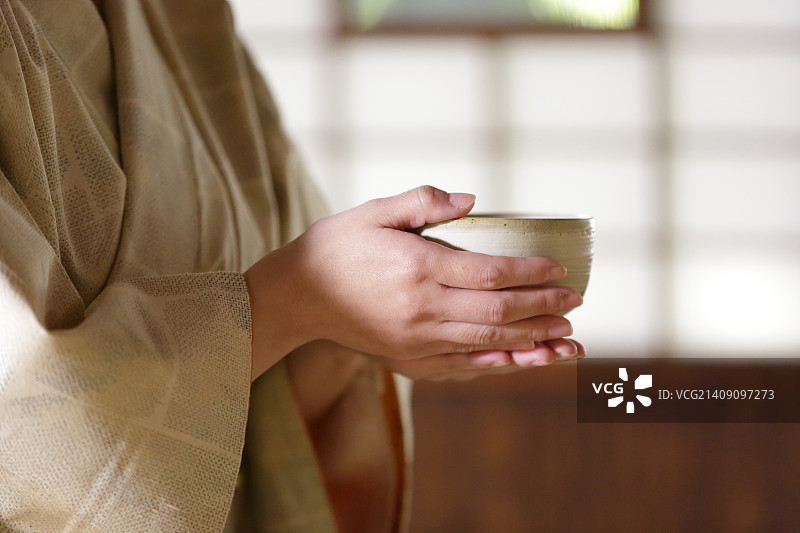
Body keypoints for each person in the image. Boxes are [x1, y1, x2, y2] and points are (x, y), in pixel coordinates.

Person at [0, 1, 584, 532]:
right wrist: (298, 299)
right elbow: (24, 428)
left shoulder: (187, 18)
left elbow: (297, 296)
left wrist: (351, 332)